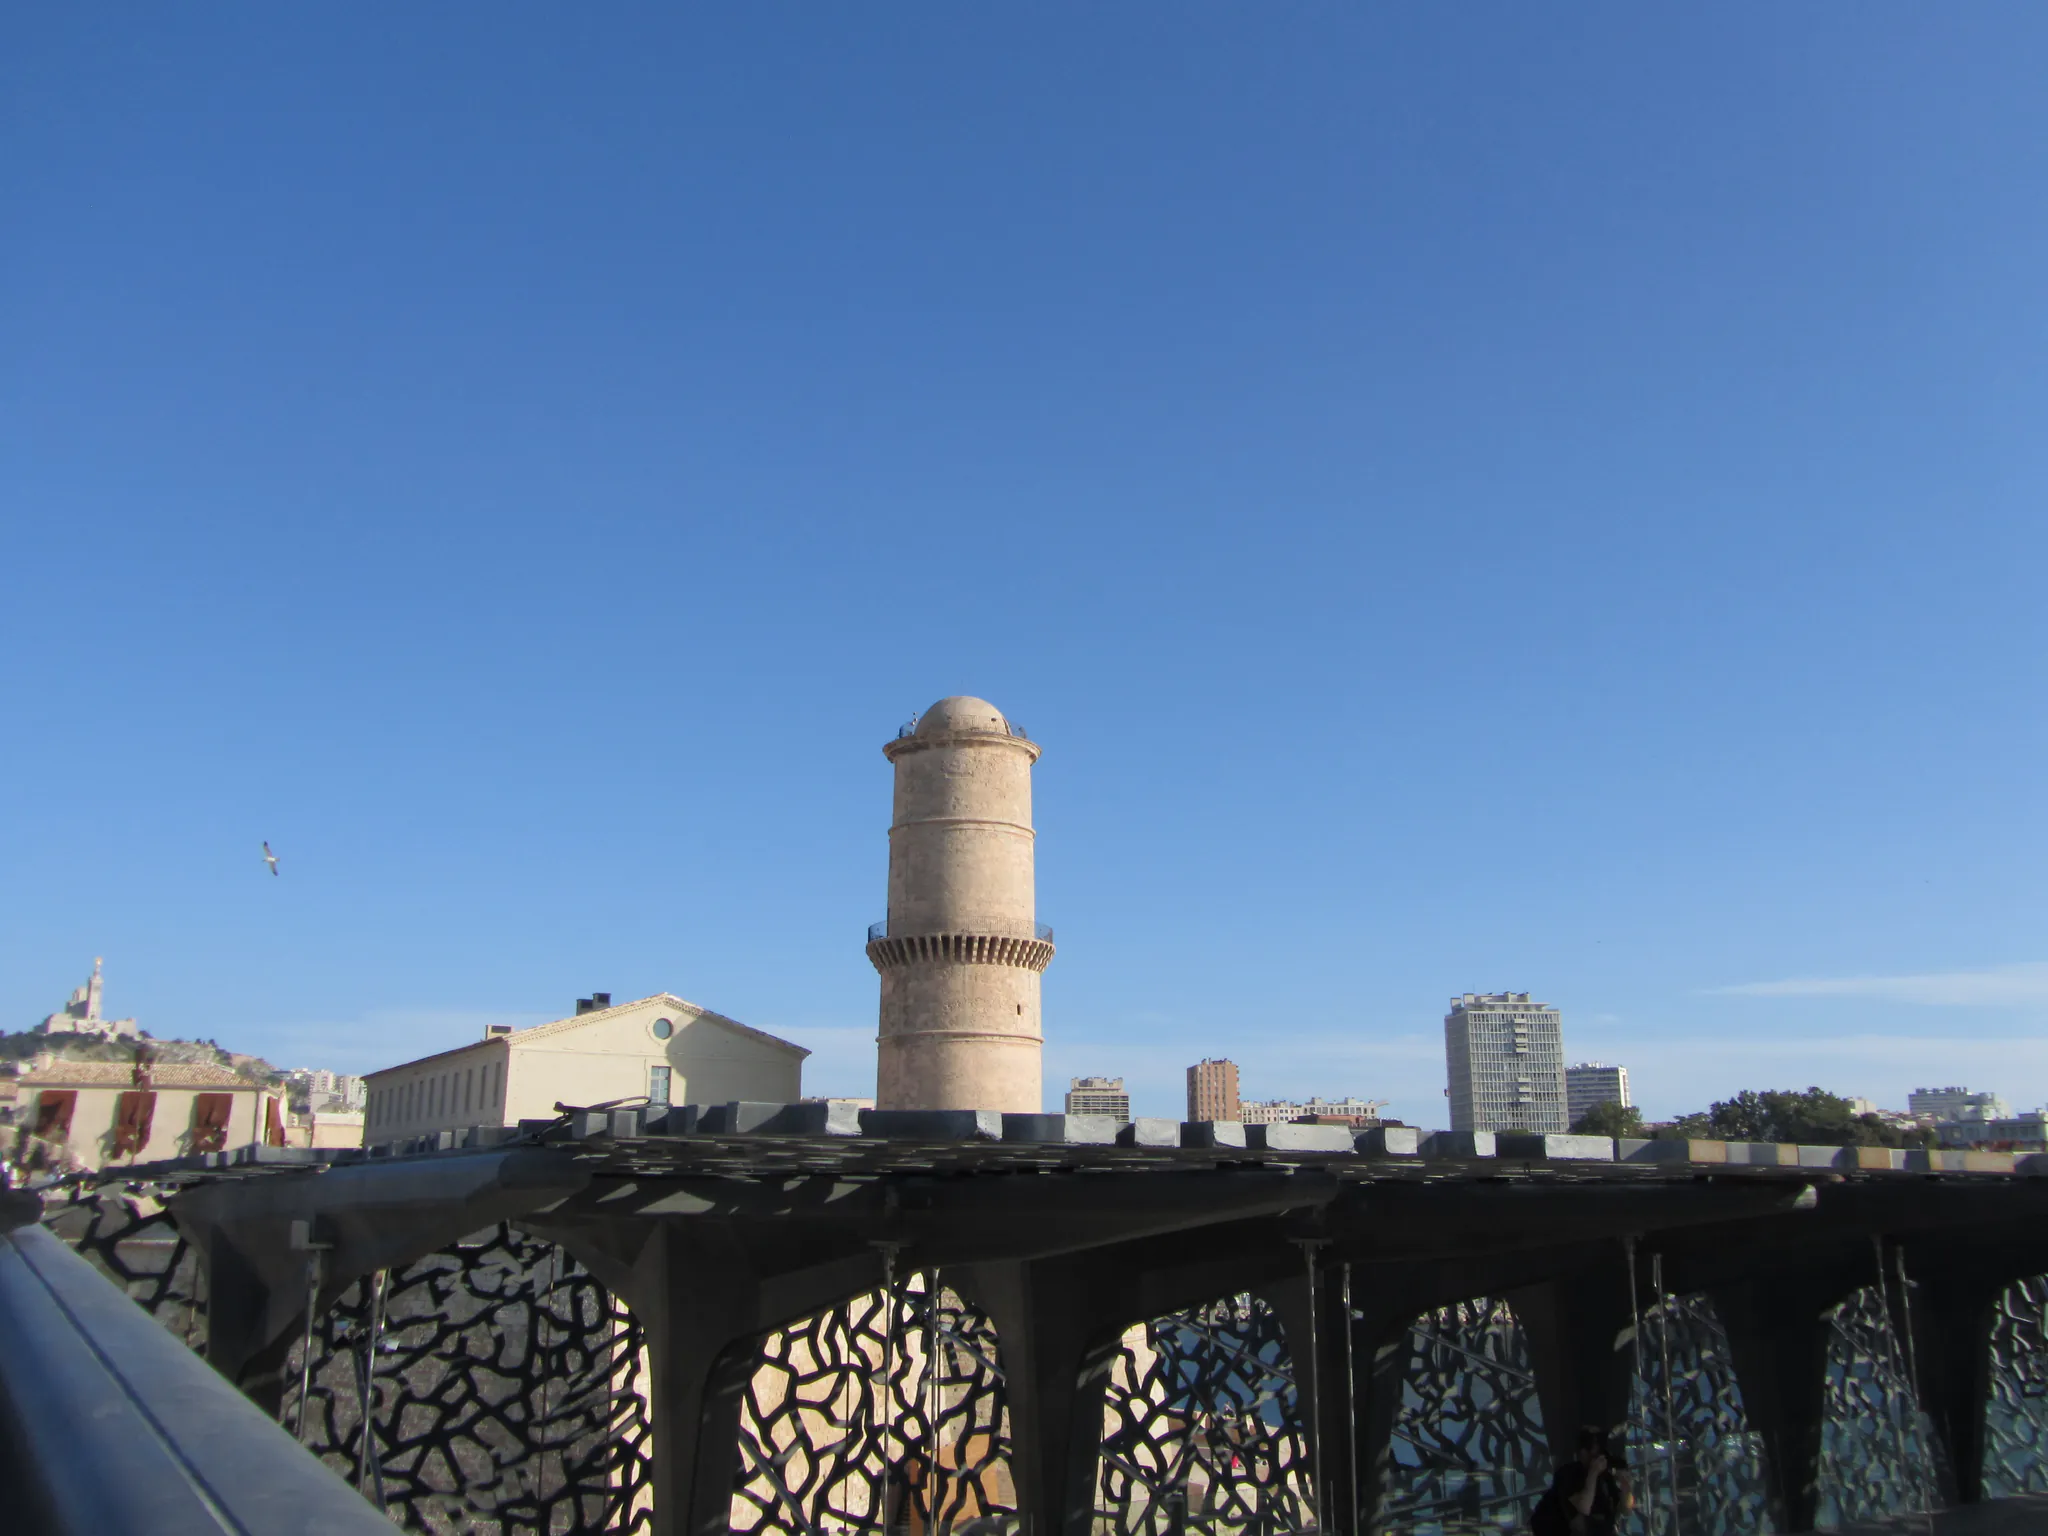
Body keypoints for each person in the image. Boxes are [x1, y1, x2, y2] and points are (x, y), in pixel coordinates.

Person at [1530, 1426, 1633, 1536]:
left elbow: (1626, 1510)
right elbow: (1583, 1508)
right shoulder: (1568, 1474)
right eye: (1594, 1447)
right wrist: (1593, 1473)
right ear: (1583, 1452)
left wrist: (1626, 1486)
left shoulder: (1606, 1477)